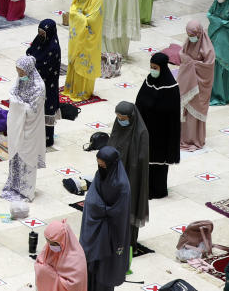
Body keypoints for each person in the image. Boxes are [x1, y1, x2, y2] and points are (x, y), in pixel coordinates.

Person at [80, 146, 130, 291]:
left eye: (103, 165)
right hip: (96, 229)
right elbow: (92, 197)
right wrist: (97, 207)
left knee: (105, 269)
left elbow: (120, 211)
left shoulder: (122, 186)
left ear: (112, 165)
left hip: (111, 234)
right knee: (90, 267)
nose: (101, 168)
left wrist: (100, 209)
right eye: (99, 164)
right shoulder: (100, 174)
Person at [135, 52, 181, 199]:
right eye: (151, 67)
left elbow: (171, 114)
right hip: (146, 129)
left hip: (162, 133)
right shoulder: (149, 80)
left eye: (155, 68)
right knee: (146, 161)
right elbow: (139, 101)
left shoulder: (171, 87)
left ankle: (158, 190)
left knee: (159, 163)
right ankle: (146, 189)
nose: (152, 70)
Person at [1, 56, 46, 202]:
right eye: (18, 73)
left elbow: (33, 110)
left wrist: (17, 104)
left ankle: (26, 191)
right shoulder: (21, 79)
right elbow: (13, 92)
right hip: (18, 126)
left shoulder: (39, 87)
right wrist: (17, 102)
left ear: (29, 71)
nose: (20, 76)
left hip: (30, 128)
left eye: (21, 73)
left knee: (27, 158)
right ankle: (14, 186)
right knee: (16, 156)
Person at [108, 102, 149, 248]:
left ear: (131, 117)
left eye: (123, 117)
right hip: (114, 175)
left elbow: (141, 162)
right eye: (118, 117)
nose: (120, 120)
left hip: (131, 177)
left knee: (129, 207)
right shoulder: (118, 125)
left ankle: (128, 242)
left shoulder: (141, 133)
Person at [65, 0, 104, 102]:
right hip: (77, 39)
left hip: (89, 40)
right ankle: (72, 89)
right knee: (75, 61)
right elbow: (73, 9)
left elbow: (92, 20)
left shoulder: (97, 2)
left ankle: (83, 92)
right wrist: (79, 16)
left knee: (84, 64)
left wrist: (79, 16)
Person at [178, 21, 215, 151]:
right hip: (187, 84)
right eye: (189, 35)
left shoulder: (208, 49)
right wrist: (187, 60)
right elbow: (182, 54)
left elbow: (208, 67)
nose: (191, 37)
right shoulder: (188, 42)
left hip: (199, 87)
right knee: (185, 113)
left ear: (199, 33)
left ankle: (195, 139)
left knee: (194, 115)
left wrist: (192, 63)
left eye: (193, 35)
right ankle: (184, 138)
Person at [27, 19, 62, 147]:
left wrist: (32, 64)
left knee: (47, 108)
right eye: (39, 32)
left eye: (43, 33)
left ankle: (47, 138)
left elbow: (46, 68)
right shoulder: (39, 39)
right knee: (35, 108)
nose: (40, 35)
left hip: (48, 83)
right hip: (36, 81)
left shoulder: (54, 48)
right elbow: (30, 51)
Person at [34, 220, 88, 291]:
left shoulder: (76, 258)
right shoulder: (49, 248)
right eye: (48, 242)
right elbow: (39, 263)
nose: (50, 246)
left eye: (53, 243)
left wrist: (49, 273)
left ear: (63, 241)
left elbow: (75, 285)